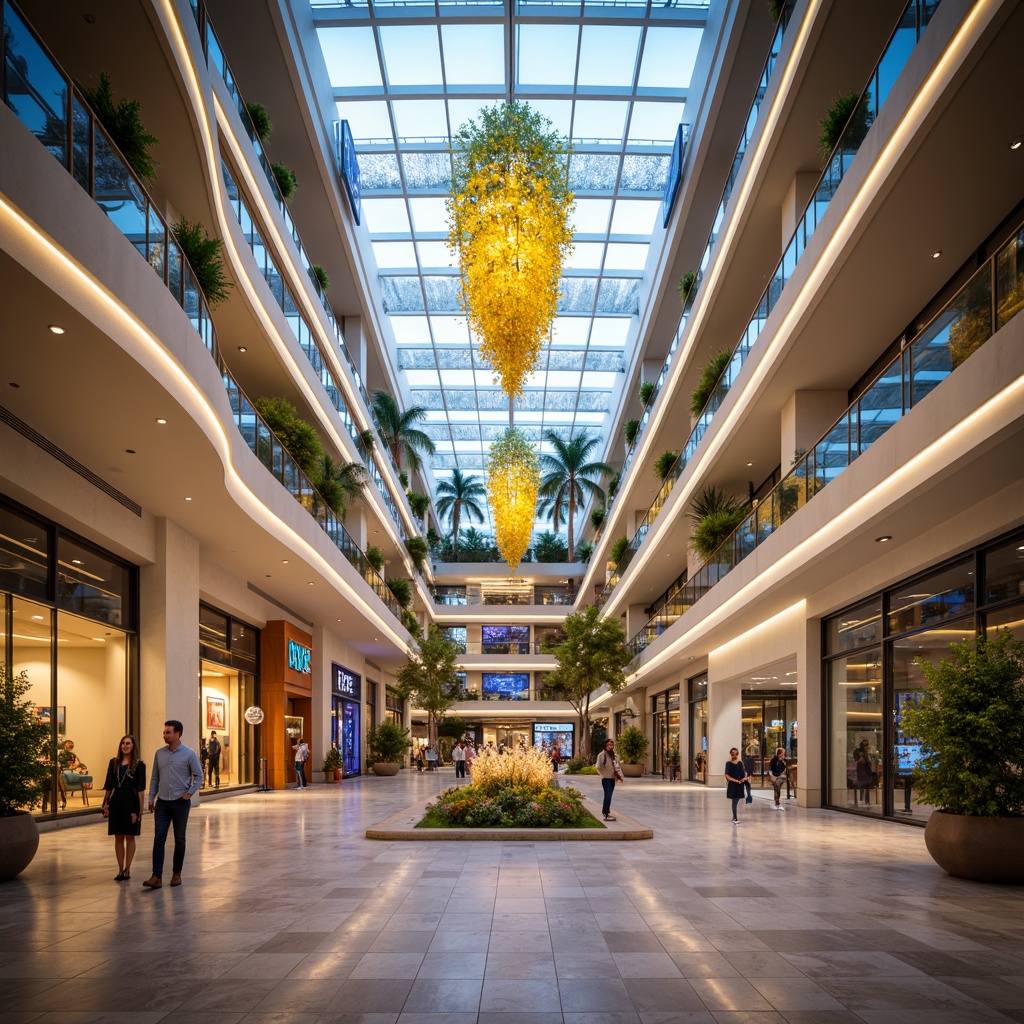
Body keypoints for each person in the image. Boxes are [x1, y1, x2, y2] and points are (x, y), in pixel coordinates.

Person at [143, 720, 202, 890]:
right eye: (164, 732)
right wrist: (151, 798)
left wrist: (188, 793)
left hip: (180, 802)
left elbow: (199, 776)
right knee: (159, 838)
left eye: (168, 732)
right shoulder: (159, 754)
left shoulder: (189, 754)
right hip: (162, 803)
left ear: (178, 734)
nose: (165, 735)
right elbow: (155, 777)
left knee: (179, 838)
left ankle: (177, 873)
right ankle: (156, 876)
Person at [101, 735, 146, 881]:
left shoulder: (139, 765)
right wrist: (105, 803)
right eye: (122, 743)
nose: (124, 746)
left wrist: (140, 808)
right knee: (118, 836)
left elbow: (140, 788)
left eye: (128, 743)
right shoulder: (114, 763)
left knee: (130, 836)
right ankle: (120, 868)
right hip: (117, 800)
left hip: (131, 800)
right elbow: (109, 784)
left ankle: (128, 868)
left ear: (133, 746)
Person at [595, 738, 623, 822]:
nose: (611, 747)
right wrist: (603, 774)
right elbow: (598, 767)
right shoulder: (601, 755)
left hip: (612, 779)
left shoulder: (613, 755)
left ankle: (607, 812)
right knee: (607, 796)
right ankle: (606, 813)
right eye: (609, 745)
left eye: (612, 745)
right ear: (605, 745)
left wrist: (618, 775)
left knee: (609, 796)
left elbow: (616, 765)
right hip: (606, 779)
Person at [725, 747, 750, 825]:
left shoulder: (740, 763)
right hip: (733, 784)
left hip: (740, 784)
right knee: (734, 801)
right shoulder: (728, 763)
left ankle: (734, 816)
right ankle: (735, 817)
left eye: (735, 753)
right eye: (733, 753)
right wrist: (734, 780)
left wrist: (744, 779)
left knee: (736, 800)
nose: (734, 755)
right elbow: (726, 774)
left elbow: (744, 773)